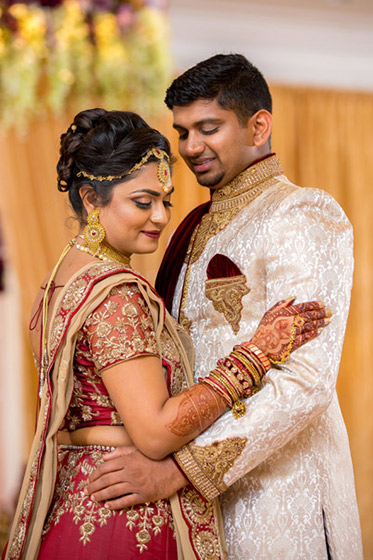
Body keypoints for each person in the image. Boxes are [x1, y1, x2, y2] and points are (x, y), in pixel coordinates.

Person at [4, 108, 326, 560]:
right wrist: (255, 354)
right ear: (91, 199)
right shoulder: (115, 293)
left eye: (165, 200)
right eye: (142, 201)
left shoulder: (61, 279)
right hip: (128, 512)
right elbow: (155, 431)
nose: (159, 216)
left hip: (80, 499)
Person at [85, 55, 363, 559]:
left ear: (259, 125)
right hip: (197, 506)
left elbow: (306, 381)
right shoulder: (192, 228)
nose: (190, 148)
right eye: (183, 132)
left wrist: (178, 471)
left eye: (207, 128)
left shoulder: (301, 213)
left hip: (280, 499)